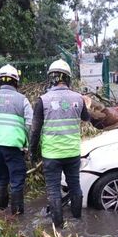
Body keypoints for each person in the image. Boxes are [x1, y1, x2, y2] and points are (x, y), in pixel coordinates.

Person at [29, 59, 90, 228]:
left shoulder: (43, 100)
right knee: (75, 186)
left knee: (54, 190)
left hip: (52, 155)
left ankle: (59, 227)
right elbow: (86, 118)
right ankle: (77, 221)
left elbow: (34, 130)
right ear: (68, 78)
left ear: (51, 78)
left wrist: (32, 153)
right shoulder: (79, 98)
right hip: (72, 153)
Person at [0, 64, 33, 215]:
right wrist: (28, 145)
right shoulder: (22, 100)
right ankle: (17, 214)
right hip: (14, 146)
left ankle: (2, 210)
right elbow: (30, 124)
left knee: (2, 178)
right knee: (17, 180)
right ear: (16, 81)